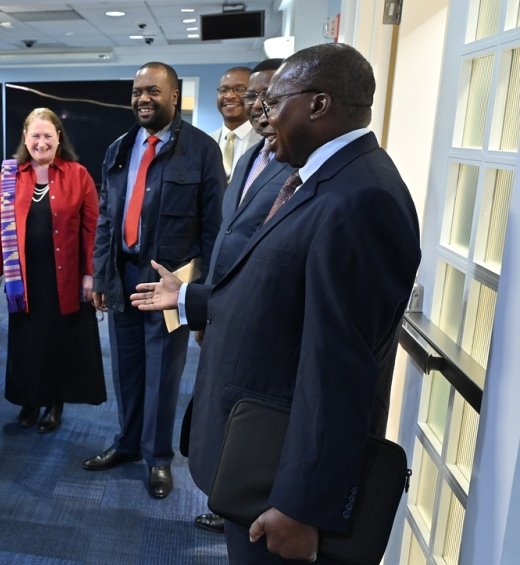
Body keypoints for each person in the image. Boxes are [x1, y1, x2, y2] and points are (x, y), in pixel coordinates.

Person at [131, 43, 420, 563]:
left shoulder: (363, 198)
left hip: (281, 479)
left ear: (318, 105)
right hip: (256, 449)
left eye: (275, 101)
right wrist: (192, 299)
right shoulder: (318, 178)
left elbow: (341, 369)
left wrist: (301, 504)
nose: (263, 115)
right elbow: (277, 294)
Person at [86, 61, 224, 499]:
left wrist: (202, 299)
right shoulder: (119, 148)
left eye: (153, 91)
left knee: (163, 374)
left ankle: (158, 458)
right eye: (137, 91)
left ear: (175, 97)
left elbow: (213, 230)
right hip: (125, 277)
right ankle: (127, 443)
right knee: (126, 369)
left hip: (169, 285)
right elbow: (107, 218)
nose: (143, 99)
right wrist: (102, 276)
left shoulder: (201, 151)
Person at [189, 57, 293, 534]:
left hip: (258, 323)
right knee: (222, 407)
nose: (256, 105)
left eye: (267, 95)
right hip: (221, 308)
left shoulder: (297, 168)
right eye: (253, 96)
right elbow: (223, 238)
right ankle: (224, 495)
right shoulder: (252, 159)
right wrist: (203, 306)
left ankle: (237, 501)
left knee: (248, 416)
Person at [0, 107, 105, 434]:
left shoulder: (78, 174)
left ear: (58, 138)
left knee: (56, 342)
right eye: (35, 135)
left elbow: (94, 230)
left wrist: (91, 274)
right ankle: (29, 400)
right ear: (25, 138)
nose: (41, 142)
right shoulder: (10, 175)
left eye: (48, 135)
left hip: (63, 277)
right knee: (26, 342)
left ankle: (54, 403)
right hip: (23, 278)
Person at [209, 66, 263, 179]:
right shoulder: (205, 142)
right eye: (223, 90)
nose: (230, 96)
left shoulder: (266, 142)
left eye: (240, 89)